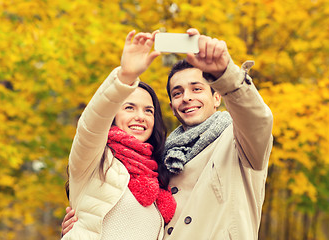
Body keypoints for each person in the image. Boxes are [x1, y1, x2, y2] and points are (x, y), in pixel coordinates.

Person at [62, 28, 273, 239]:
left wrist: (226, 74)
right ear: (172, 106)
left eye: (197, 89)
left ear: (217, 97)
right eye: (178, 92)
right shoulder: (163, 163)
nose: (187, 97)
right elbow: (91, 126)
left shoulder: (238, 140)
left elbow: (258, 121)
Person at [61, 30, 176, 240]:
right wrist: (125, 77)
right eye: (129, 108)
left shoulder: (159, 174)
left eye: (148, 110)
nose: (140, 117)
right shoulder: (94, 159)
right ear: (113, 115)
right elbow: (91, 123)